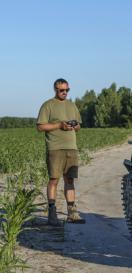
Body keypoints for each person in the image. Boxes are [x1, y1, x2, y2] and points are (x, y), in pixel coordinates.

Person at [36, 78, 85, 225]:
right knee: (54, 180)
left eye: (67, 90)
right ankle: (52, 214)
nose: (64, 92)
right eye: (61, 90)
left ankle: (72, 213)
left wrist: (75, 126)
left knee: (69, 180)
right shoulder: (48, 105)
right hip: (55, 148)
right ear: (55, 90)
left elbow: (79, 126)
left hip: (71, 147)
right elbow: (40, 127)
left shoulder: (72, 105)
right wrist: (59, 125)